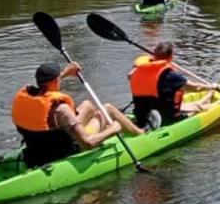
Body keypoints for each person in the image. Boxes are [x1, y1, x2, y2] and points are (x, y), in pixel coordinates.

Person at [11, 62, 143, 168]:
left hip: (36, 151)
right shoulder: (61, 110)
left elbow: (49, 85)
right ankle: (141, 133)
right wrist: (113, 129)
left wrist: (66, 73)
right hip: (65, 150)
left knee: (87, 105)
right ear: (56, 81)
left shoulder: (27, 98)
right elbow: (88, 143)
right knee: (108, 109)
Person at [129, 41, 218, 130]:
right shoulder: (170, 75)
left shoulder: (138, 71)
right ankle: (206, 101)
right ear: (171, 57)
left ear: (154, 54)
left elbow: (130, 75)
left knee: (179, 104)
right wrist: (211, 86)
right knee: (197, 108)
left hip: (141, 118)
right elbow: (196, 88)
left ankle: (205, 99)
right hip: (162, 120)